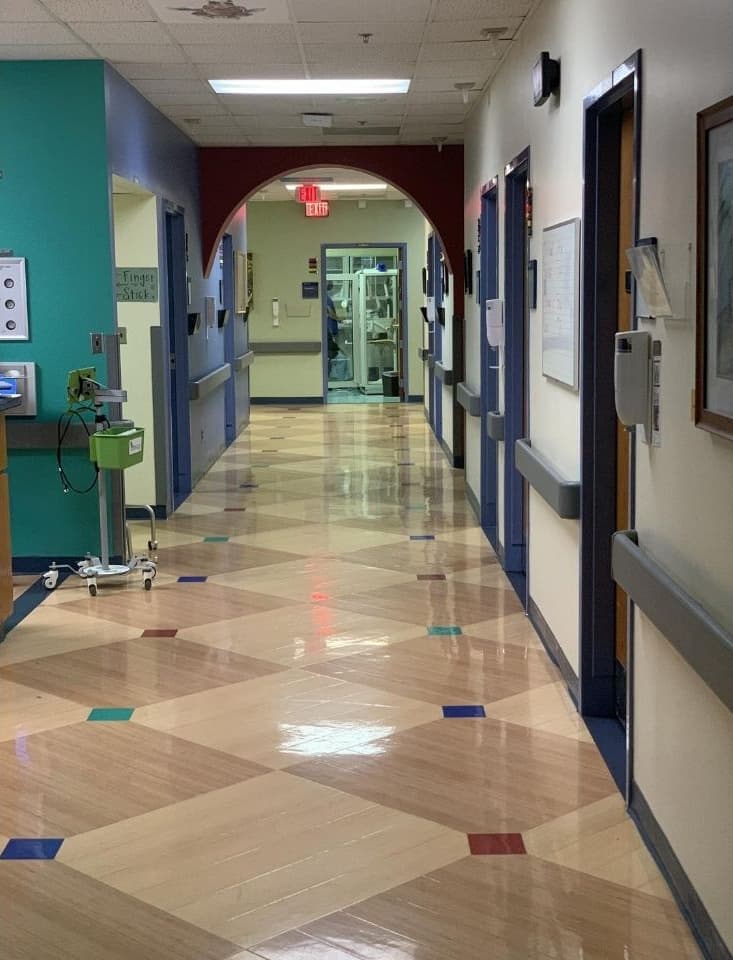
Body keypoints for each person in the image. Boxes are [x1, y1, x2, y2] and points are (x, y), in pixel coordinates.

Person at [326, 282, 340, 360]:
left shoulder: (327, 297)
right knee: (332, 353)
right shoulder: (326, 297)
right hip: (330, 328)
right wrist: (338, 319)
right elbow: (330, 312)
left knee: (333, 352)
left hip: (331, 328)